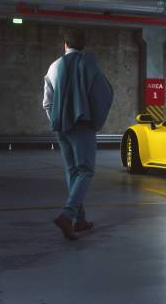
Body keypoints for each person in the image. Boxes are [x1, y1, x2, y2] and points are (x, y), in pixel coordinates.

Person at [43, 31, 113, 240]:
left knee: (72, 171)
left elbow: (47, 102)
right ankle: (67, 215)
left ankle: (79, 220)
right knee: (86, 171)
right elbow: (105, 93)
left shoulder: (54, 66)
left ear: (65, 44)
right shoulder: (90, 65)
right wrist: (94, 120)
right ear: (84, 45)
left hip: (61, 127)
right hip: (83, 126)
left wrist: (57, 120)